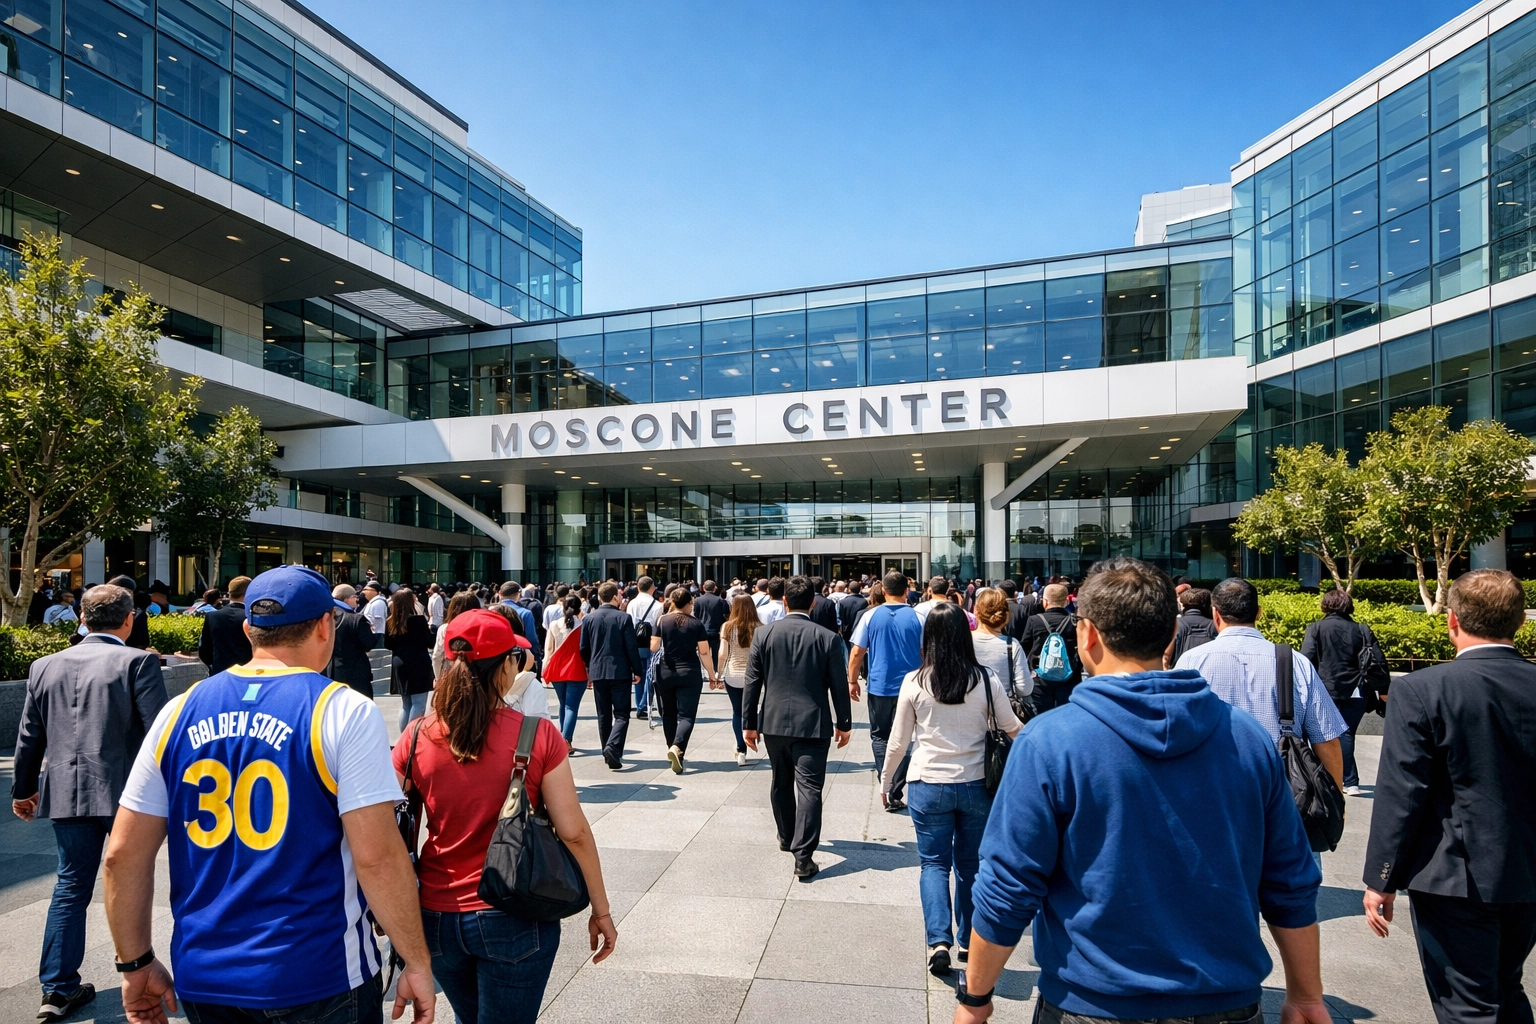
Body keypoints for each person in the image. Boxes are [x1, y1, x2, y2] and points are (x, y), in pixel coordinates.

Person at [956, 558, 1326, 1024]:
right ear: (1172, 636)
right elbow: (1289, 880)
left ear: (1085, 635)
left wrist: (976, 998)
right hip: (1227, 1002)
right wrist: (1306, 994)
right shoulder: (1248, 738)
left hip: (1090, 1003)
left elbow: (1008, 886)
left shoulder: (1051, 740)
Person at [104, 565, 435, 1024]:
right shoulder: (341, 709)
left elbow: (121, 854)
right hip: (319, 971)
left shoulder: (178, 711)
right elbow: (377, 857)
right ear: (325, 625)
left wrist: (135, 962)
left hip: (207, 974)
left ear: (248, 629)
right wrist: (416, 959)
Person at [394, 609, 615, 1024]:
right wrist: (600, 910)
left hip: (435, 915)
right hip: (515, 910)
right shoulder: (537, 734)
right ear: (507, 665)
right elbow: (574, 833)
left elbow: (392, 830)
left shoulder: (416, 734)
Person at [1362, 569, 1536, 1024]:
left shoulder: (1422, 689)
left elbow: (1403, 792)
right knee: (1507, 985)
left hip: (1453, 875)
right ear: (1520, 623)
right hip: (1528, 871)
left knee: (1468, 1005)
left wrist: (1381, 878)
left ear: (1451, 621)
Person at [13, 584, 168, 1021]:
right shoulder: (138, 661)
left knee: (70, 886)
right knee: (136, 882)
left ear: (81, 617)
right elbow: (159, 733)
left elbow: (30, 737)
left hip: (65, 791)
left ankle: (57, 989)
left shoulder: (44, 665)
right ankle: (139, 971)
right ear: (128, 619)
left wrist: (23, 790)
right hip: (127, 795)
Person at [883, 602, 1022, 977]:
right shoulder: (986, 680)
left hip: (928, 783)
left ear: (928, 638)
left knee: (932, 864)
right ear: (965, 635)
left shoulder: (915, 681)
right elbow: (1013, 729)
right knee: (971, 866)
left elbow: (898, 742)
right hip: (977, 783)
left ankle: (937, 943)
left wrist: (885, 781)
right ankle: (969, 940)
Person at [1176, 578, 1346, 798]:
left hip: (1212, 793)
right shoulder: (1295, 662)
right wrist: (1336, 800)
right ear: (1258, 613)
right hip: (1283, 795)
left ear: (1215, 614)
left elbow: (1177, 731)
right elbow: (1327, 738)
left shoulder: (1191, 662)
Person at [742, 575, 852, 880]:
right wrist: (844, 723)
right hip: (814, 723)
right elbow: (839, 686)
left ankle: (786, 836)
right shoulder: (827, 637)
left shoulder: (764, 635)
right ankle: (803, 856)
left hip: (774, 722)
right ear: (814, 603)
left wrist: (748, 724)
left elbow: (753, 683)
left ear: (785, 601)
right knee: (810, 788)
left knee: (780, 781)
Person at [849, 571, 923, 812]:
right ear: (906, 591)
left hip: (880, 685)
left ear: (882, 591)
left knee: (880, 735)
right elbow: (926, 653)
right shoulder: (918, 617)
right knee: (907, 736)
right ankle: (896, 788)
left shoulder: (870, 616)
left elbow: (857, 651)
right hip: (911, 686)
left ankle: (885, 779)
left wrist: (852, 680)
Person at [1300, 588, 1380, 797]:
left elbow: (1305, 658)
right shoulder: (1362, 629)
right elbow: (1378, 661)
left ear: (1325, 605)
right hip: (1357, 690)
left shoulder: (1316, 628)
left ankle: (1346, 780)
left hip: (1325, 690)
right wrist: (1384, 689)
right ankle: (1348, 780)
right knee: (1346, 732)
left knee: (1335, 733)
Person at [649, 587, 719, 774]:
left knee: (668, 713)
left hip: (666, 670)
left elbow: (654, 647)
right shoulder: (696, 624)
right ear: (688, 604)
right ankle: (677, 747)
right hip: (690, 671)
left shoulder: (662, 620)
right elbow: (704, 652)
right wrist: (711, 675)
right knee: (687, 716)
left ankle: (672, 746)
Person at [581, 581, 648, 770]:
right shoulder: (623, 618)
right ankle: (613, 748)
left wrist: (589, 666)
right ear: (615, 597)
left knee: (603, 715)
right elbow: (631, 647)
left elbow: (583, 648)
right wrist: (637, 670)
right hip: (620, 671)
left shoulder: (589, 619)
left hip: (598, 671)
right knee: (621, 714)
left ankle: (607, 751)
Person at [1022, 583, 1082, 714]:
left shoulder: (1034, 620)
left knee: (1041, 717)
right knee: (1067, 716)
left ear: (1045, 601)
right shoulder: (1075, 622)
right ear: (1067, 601)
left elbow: (1024, 648)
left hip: (1041, 679)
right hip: (1069, 678)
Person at [969, 588, 1032, 710]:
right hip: (1002, 713)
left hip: (970, 712)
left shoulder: (962, 641)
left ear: (976, 610)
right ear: (1006, 614)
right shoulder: (1012, 645)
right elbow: (1024, 688)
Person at [717, 594, 760, 766]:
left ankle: (741, 748)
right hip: (754, 676)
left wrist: (718, 674)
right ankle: (752, 737)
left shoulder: (727, 626)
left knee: (737, 712)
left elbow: (722, 654)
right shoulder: (760, 627)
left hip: (733, 674)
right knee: (751, 710)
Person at [386, 587, 436, 731]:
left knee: (406, 704)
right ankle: (411, 738)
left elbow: (387, 644)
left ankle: (404, 739)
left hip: (399, 662)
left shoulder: (390, 621)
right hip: (418, 661)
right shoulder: (418, 620)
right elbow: (430, 642)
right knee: (418, 703)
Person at [544, 595, 588, 752]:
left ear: (562, 608)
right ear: (579, 609)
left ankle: (563, 737)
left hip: (557, 668)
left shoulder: (554, 624)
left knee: (564, 704)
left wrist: (545, 668)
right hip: (576, 669)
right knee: (571, 706)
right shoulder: (583, 625)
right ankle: (565, 739)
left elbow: (549, 649)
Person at [328, 583, 378, 698]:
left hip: (331, 672)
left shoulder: (325, 617)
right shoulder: (356, 619)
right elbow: (368, 644)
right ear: (347, 598)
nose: (357, 599)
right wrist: (375, 633)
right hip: (356, 674)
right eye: (355, 596)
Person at [196, 575, 252, 675]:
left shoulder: (212, 616)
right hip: (248, 673)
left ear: (229, 594)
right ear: (249, 593)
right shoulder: (251, 617)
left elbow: (204, 651)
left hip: (219, 673)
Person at [627, 576, 663, 717]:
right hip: (651, 642)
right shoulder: (658, 606)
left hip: (635, 642)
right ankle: (643, 704)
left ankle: (639, 704)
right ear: (652, 587)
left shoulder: (631, 604)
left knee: (638, 674)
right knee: (650, 674)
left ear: (638, 587)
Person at [432, 591, 481, 680]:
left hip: (452, 676)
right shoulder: (482, 628)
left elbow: (437, 657)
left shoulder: (445, 628)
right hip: (479, 675)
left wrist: (438, 678)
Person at [1164, 586, 1217, 668]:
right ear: (1208, 605)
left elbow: (1166, 657)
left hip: (1179, 674)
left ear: (1182, 606)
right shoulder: (1216, 625)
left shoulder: (1174, 625)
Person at [692, 579, 729, 666]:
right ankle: (715, 671)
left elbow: (696, 616)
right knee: (716, 653)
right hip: (717, 630)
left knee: (704, 653)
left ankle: (706, 670)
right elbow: (727, 615)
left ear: (703, 588)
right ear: (715, 588)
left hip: (702, 630)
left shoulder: (698, 600)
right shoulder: (721, 601)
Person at [361, 579, 389, 647]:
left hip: (376, 634)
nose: (363, 592)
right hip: (371, 634)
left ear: (375, 591)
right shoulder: (372, 602)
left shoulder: (378, 603)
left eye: (366, 590)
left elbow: (377, 621)